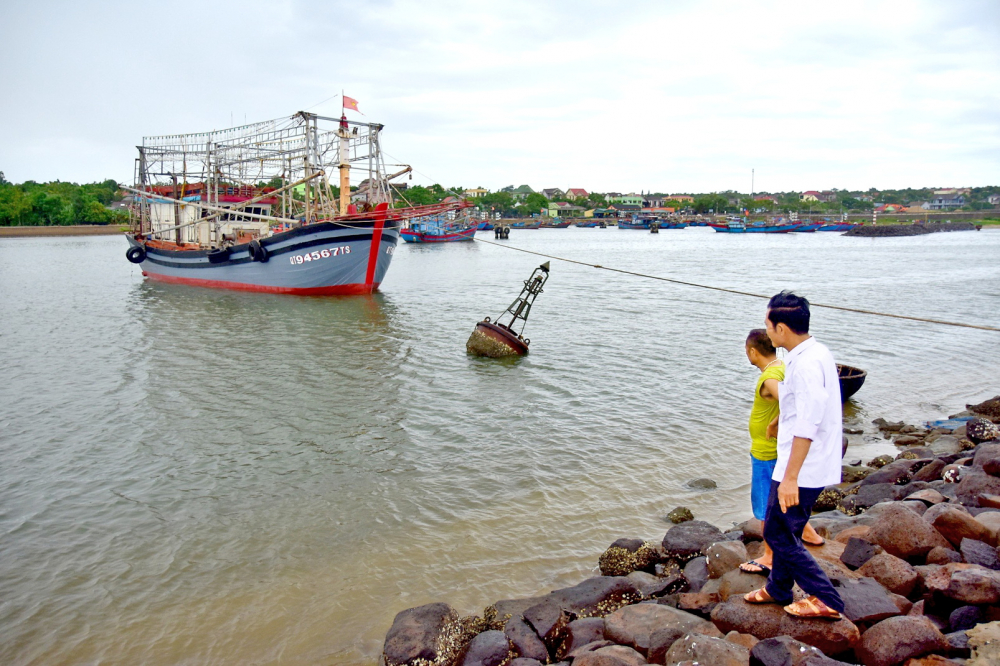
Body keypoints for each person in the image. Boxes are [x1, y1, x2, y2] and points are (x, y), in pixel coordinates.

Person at [744, 291, 845, 620]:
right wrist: (779, 416)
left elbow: (809, 423)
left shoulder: (806, 365)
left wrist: (790, 478)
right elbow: (802, 403)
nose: (768, 333)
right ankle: (778, 588)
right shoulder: (809, 353)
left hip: (802, 464)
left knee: (778, 532)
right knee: (781, 526)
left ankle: (826, 597)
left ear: (782, 328)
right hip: (797, 459)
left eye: (769, 326)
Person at [740, 329, 824, 576]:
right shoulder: (782, 365)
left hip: (766, 452)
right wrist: (779, 417)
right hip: (777, 448)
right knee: (784, 498)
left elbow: (793, 402)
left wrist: (777, 420)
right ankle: (809, 534)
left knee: (767, 505)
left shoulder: (769, 377)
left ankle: (769, 556)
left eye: (747, 351)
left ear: (753, 352)